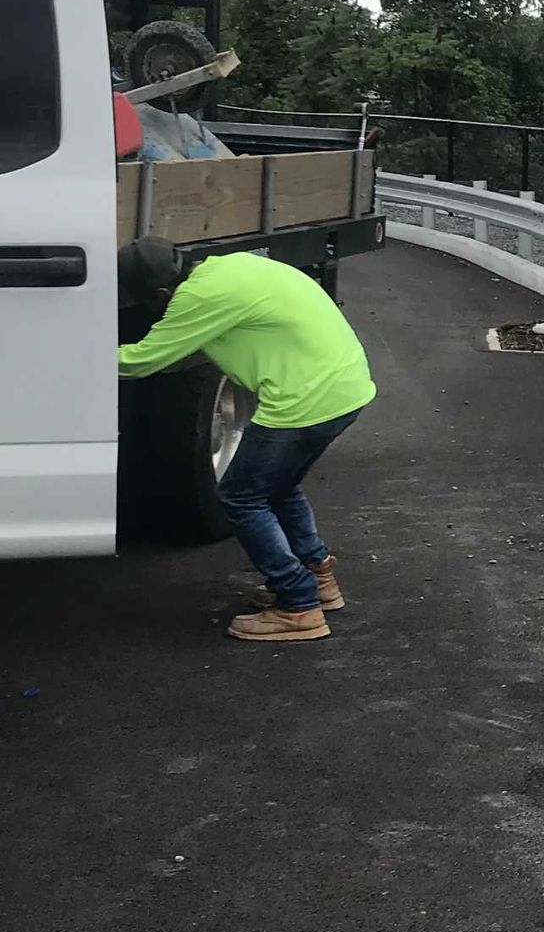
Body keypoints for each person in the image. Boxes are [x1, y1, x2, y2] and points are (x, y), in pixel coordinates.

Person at [117, 239, 376, 645]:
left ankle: (297, 605)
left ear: (160, 295)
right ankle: (317, 575)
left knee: (240, 496)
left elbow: (142, 360)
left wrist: (71, 358)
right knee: (279, 485)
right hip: (344, 388)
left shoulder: (195, 298)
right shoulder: (227, 268)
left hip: (305, 399)